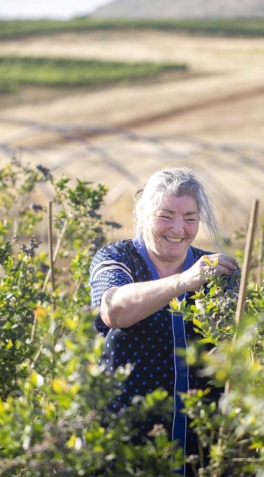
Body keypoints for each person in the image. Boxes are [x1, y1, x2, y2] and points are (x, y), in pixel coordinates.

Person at [89, 167, 238, 475]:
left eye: (190, 219)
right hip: (127, 434)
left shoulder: (215, 271)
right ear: (144, 214)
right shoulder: (118, 258)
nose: (178, 228)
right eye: (165, 215)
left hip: (201, 441)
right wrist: (184, 281)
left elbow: (237, 348)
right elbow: (113, 310)